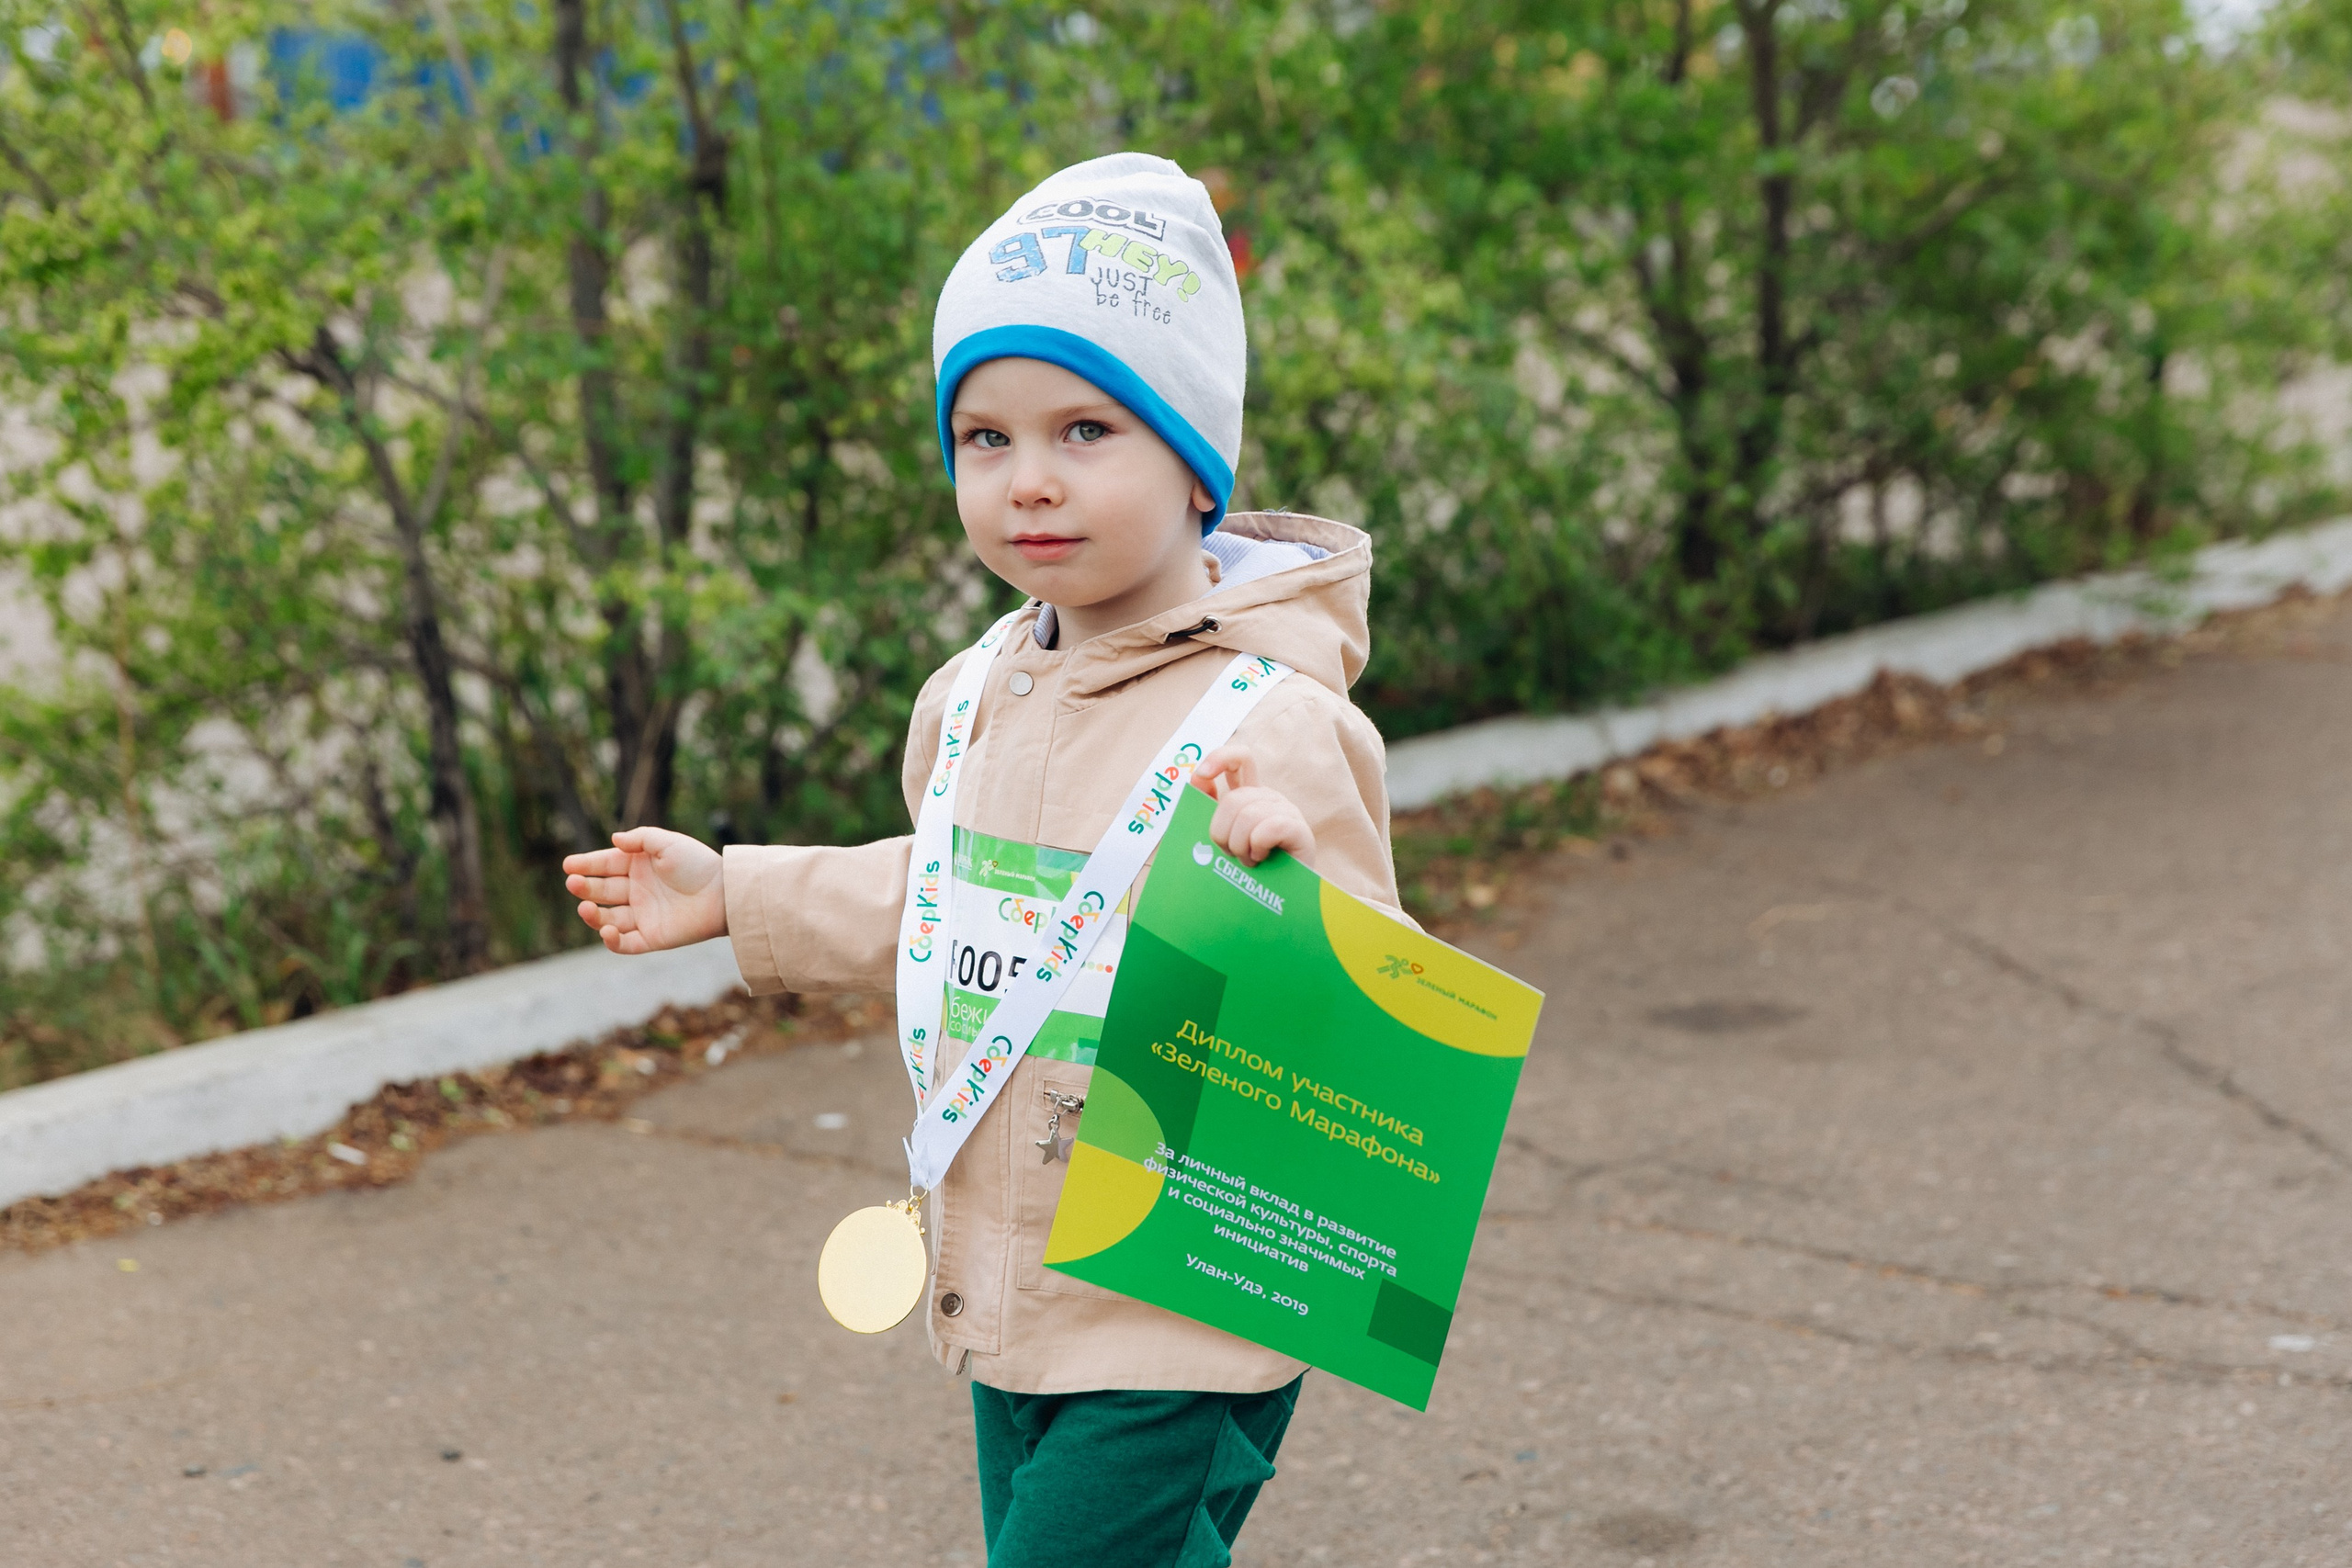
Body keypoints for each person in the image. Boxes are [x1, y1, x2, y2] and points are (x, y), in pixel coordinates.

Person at [560, 152, 1410, 1568]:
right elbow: (952, 897)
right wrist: (738, 896)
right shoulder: (970, 695)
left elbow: (1370, 1013)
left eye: (1087, 429)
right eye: (985, 438)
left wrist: (1285, 884)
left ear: (1196, 463)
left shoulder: (1277, 718)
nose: (1029, 482)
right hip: (1006, 1277)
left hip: (1179, 1302)